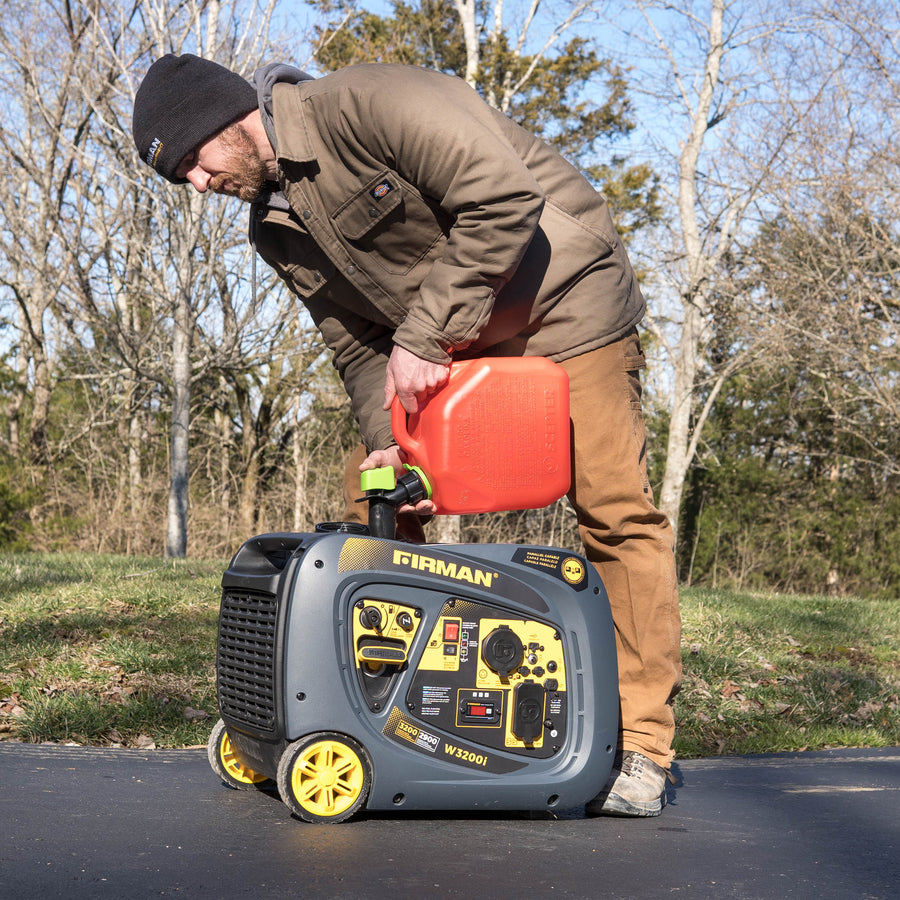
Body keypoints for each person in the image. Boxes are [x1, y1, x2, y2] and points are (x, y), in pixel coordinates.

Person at [132, 54, 682, 817]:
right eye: (180, 177)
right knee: (376, 507)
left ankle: (642, 745)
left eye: (194, 161)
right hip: (456, 334)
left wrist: (423, 338)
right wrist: (386, 438)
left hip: (565, 299)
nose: (197, 183)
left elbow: (502, 197)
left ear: (227, 120)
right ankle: (384, 716)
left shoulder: (372, 102)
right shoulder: (274, 226)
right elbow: (355, 341)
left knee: (614, 509)